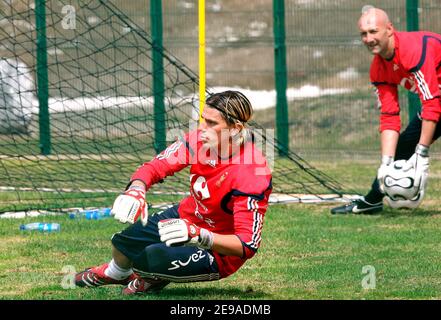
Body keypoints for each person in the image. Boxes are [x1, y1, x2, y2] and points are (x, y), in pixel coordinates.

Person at [74, 90, 273, 294]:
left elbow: (247, 245)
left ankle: (151, 278)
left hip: (217, 250)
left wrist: (200, 235)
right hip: (186, 217)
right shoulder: (200, 140)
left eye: (212, 123)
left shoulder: (252, 173)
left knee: (149, 259)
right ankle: (115, 273)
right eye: (203, 120)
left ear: (235, 129)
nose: (202, 128)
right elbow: (155, 166)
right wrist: (136, 189)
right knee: (123, 243)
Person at [331, 6, 441, 214]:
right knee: (402, 148)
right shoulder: (378, 68)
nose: (368, 38)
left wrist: (422, 154)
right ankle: (372, 201)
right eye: (363, 34)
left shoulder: (412, 50)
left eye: (373, 32)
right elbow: (389, 116)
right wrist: (386, 164)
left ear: (389, 29)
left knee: (416, 145)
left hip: (437, 101)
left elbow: (431, 104)